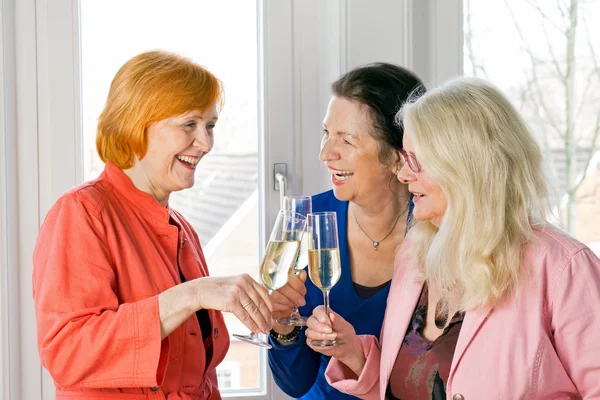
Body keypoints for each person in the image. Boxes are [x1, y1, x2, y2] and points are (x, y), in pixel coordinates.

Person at [306, 77, 600, 399]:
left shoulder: (563, 268)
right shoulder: (415, 254)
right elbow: (413, 381)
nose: (403, 175)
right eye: (404, 159)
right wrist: (353, 353)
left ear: (465, 166)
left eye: (415, 161)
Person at [32, 50, 273, 400]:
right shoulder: (81, 213)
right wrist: (191, 294)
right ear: (137, 123)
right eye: (189, 124)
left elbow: (200, 374)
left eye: (210, 126)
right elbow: (67, 353)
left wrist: (262, 310)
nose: (205, 144)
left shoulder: (183, 229)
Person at [267, 63, 426, 399]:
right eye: (327, 133)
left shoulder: (435, 228)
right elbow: (296, 384)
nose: (326, 154)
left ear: (398, 158)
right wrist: (282, 328)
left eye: (347, 140)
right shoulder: (306, 220)